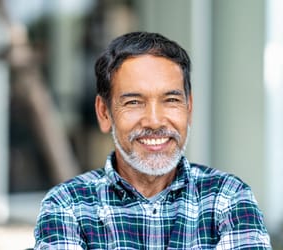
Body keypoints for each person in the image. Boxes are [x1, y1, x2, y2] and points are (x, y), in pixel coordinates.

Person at [34, 31, 271, 249]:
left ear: (189, 109)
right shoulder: (68, 205)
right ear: (104, 113)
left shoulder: (227, 197)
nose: (155, 121)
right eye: (134, 102)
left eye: (171, 100)